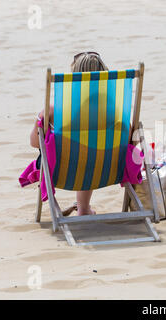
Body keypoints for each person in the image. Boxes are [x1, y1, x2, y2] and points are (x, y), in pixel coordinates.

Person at [29, 52, 109, 216]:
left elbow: (35, 142)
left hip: (61, 170)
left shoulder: (52, 111)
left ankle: (56, 208)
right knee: (90, 155)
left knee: (53, 153)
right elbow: (129, 139)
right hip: (104, 169)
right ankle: (84, 208)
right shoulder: (112, 111)